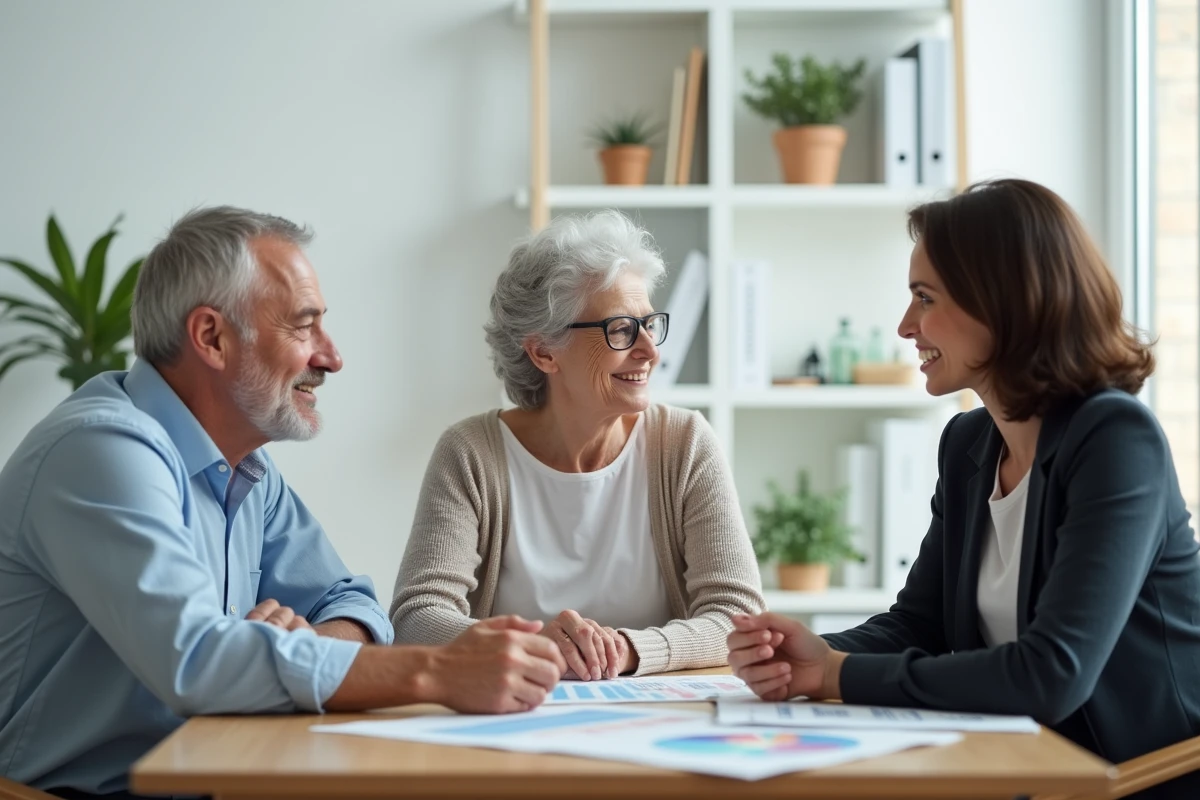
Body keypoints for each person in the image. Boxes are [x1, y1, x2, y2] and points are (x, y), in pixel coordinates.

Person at [0, 207, 565, 798]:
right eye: (303, 327)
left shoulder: (247, 470)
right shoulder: (100, 449)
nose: (331, 357)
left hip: (214, 777)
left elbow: (356, 606)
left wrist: (292, 647)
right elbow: (195, 661)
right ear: (212, 338)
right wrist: (439, 671)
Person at [727, 179, 1200, 799]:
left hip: (1139, 780)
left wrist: (837, 674)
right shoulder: (968, 444)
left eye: (924, 298)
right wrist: (810, 652)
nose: (904, 326)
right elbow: (917, 624)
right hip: (1025, 768)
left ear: (1004, 302)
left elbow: (1052, 673)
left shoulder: (1114, 438)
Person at [392, 210, 764, 680]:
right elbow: (416, 617)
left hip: (655, 719)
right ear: (544, 352)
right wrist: (533, 647)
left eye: (650, 324)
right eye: (622, 329)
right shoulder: (471, 453)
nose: (650, 350)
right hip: (515, 719)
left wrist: (626, 649)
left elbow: (737, 616)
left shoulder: (685, 444)